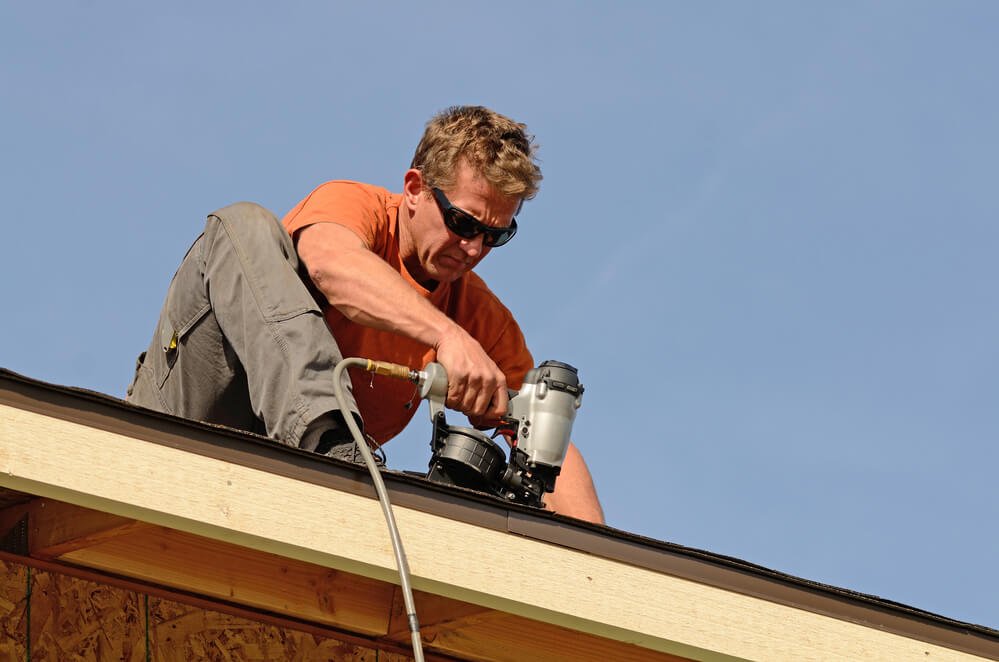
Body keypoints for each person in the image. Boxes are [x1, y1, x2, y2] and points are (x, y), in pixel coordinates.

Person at [127, 105, 603, 523]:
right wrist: (447, 337)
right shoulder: (356, 207)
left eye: (496, 236)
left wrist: (598, 566)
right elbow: (330, 261)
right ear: (414, 188)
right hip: (183, 420)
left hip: (282, 484)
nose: (474, 249)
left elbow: (540, 433)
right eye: (462, 223)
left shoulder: (481, 318)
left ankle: (333, 467)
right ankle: (330, 449)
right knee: (242, 224)